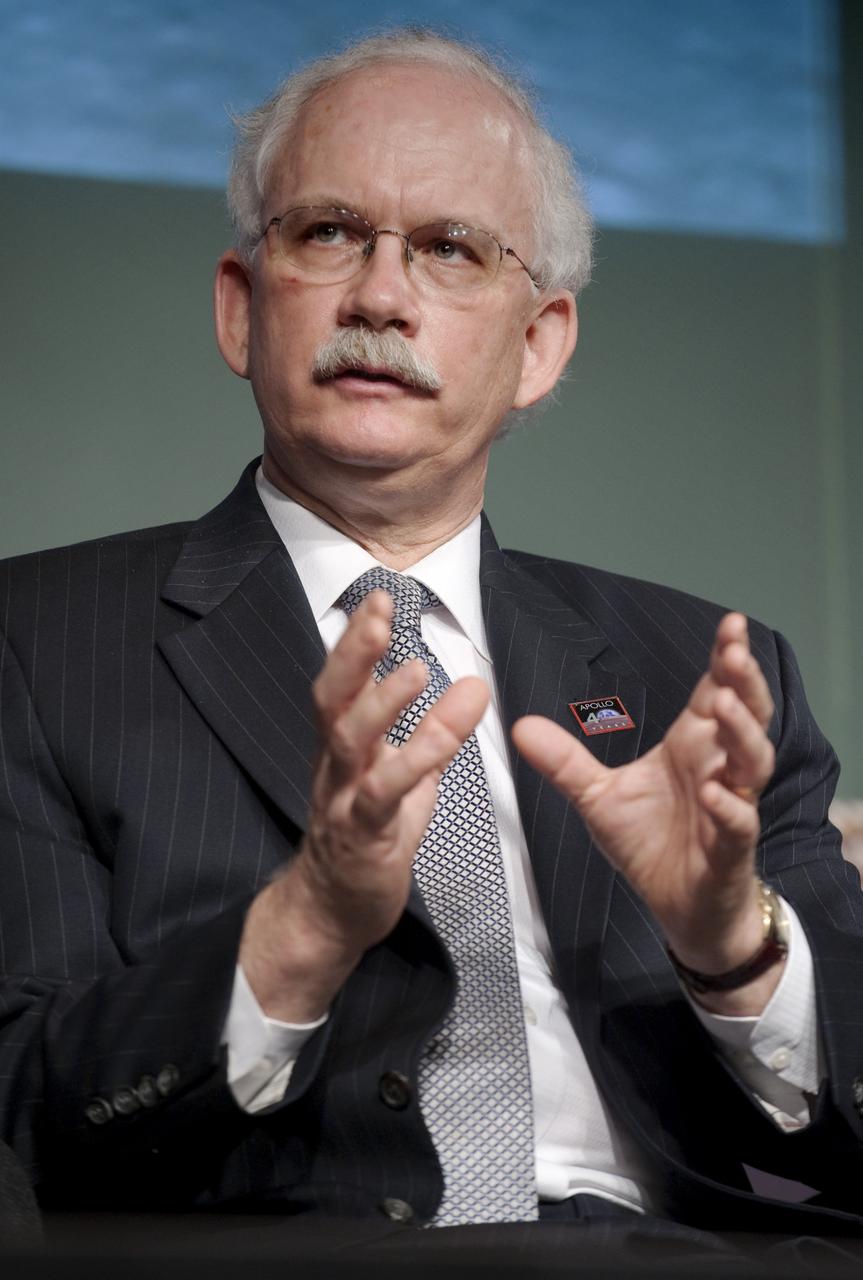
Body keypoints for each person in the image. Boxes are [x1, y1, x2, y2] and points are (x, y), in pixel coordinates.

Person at [1, 28, 862, 1255]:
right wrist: (304, 924)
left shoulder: (701, 670)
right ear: (241, 308)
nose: (380, 296)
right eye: (328, 232)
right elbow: (21, 1107)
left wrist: (733, 947)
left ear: (538, 345)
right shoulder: (34, 644)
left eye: (451, 248)